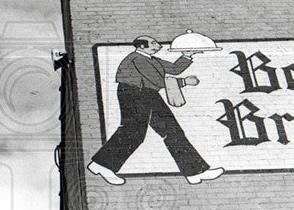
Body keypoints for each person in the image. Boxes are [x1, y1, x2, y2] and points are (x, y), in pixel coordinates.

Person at [88, 35, 224, 185]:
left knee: (172, 131)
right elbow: (157, 80)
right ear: (141, 47)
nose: (157, 45)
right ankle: (101, 165)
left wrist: (187, 56)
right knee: (134, 132)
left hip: (148, 94)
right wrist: (184, 82)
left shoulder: (152, 59)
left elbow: (174, 69)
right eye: (153, 43)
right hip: (134, 94)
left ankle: (195, 172)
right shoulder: (137, 59)